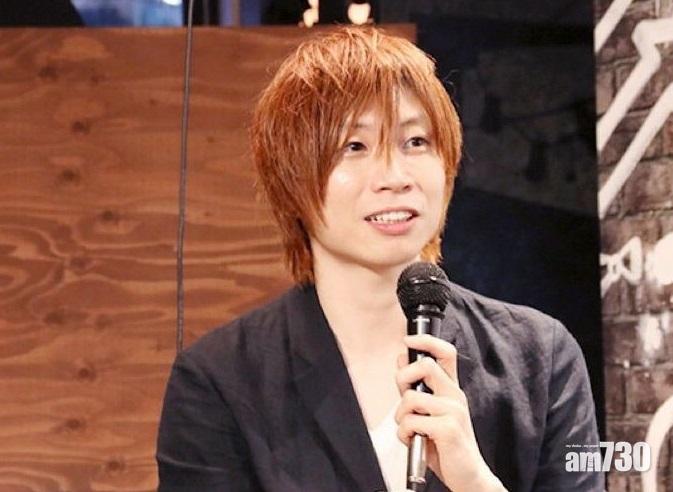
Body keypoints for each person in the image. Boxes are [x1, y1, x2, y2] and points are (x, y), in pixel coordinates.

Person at [156, 26, 604, 492]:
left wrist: (474, 481)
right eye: (355, 147)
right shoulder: (220, 381)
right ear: (290, 179)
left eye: (416, 142)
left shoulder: (541, 357)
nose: (395, 176)